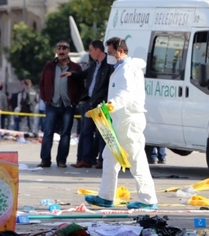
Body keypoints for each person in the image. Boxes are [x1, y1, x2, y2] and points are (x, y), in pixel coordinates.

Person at [85, 37, 158, 210]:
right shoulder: (121, 68)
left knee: (136, 160)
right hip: (121, 121)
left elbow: (126, 93)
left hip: (129, 121)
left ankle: (148, 199)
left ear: (120, 50)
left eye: (110, 52)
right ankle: (106, 196)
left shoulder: (127, 69)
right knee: (109, 157)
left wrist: (112, 105)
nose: (108, 56)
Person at [61, 40, 113, 169]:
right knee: (86, 131)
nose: (89, 53)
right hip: (89, 101)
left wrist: (105, 101)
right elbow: (85, 74)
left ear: (98, 50)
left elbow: (108, 86)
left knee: (102, 133)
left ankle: (102, 160)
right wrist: (72, 74)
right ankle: (87, 159)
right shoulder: (94, 65)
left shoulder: (109, 65)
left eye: (90, 50)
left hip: (101, 103)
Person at [37, 41, 84, 168]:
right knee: (48, 132)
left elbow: (81, 86)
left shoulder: (75, 68)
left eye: (64, 48)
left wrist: (75, 100)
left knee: (65, 134)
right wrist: (45, 98)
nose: (61, 51)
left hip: (68, 105)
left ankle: (61, 160)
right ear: (56, 50)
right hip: (52, 104)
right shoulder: (49, 66)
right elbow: (41, 83)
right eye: (59, 48)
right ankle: (45, 160)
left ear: (69, 50)